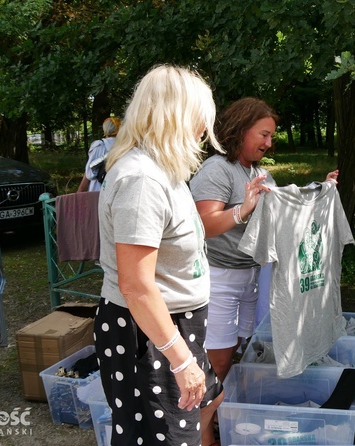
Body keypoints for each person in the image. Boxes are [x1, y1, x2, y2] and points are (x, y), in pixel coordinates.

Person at [94, 65, 222, 446]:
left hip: (172, 329)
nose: (203, 130)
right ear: (177, 115)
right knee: (159, 438)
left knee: (203, 406)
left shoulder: (165, 170)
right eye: (201, 119)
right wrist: (181, 360)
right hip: (147, 334)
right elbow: (136, 286)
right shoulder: (142, 180)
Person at [190, 97, 338, 383]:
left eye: (271, 136)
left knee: (234, 349)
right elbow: (203, 225)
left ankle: (221, 412)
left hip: (250, 275)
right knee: (217, 359)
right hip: (218, 278)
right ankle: (201, 427)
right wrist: (241, 210)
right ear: (240, 129)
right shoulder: (217, 169)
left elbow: (284, 209)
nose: (269, 143)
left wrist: (322, 188)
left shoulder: (259, 173)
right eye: (264, 135)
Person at [77, 117, 121, 192]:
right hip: (117, 188)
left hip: (98, 189)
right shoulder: (124, 146)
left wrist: (80, 190)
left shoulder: (99, 146)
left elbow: (89, 173)